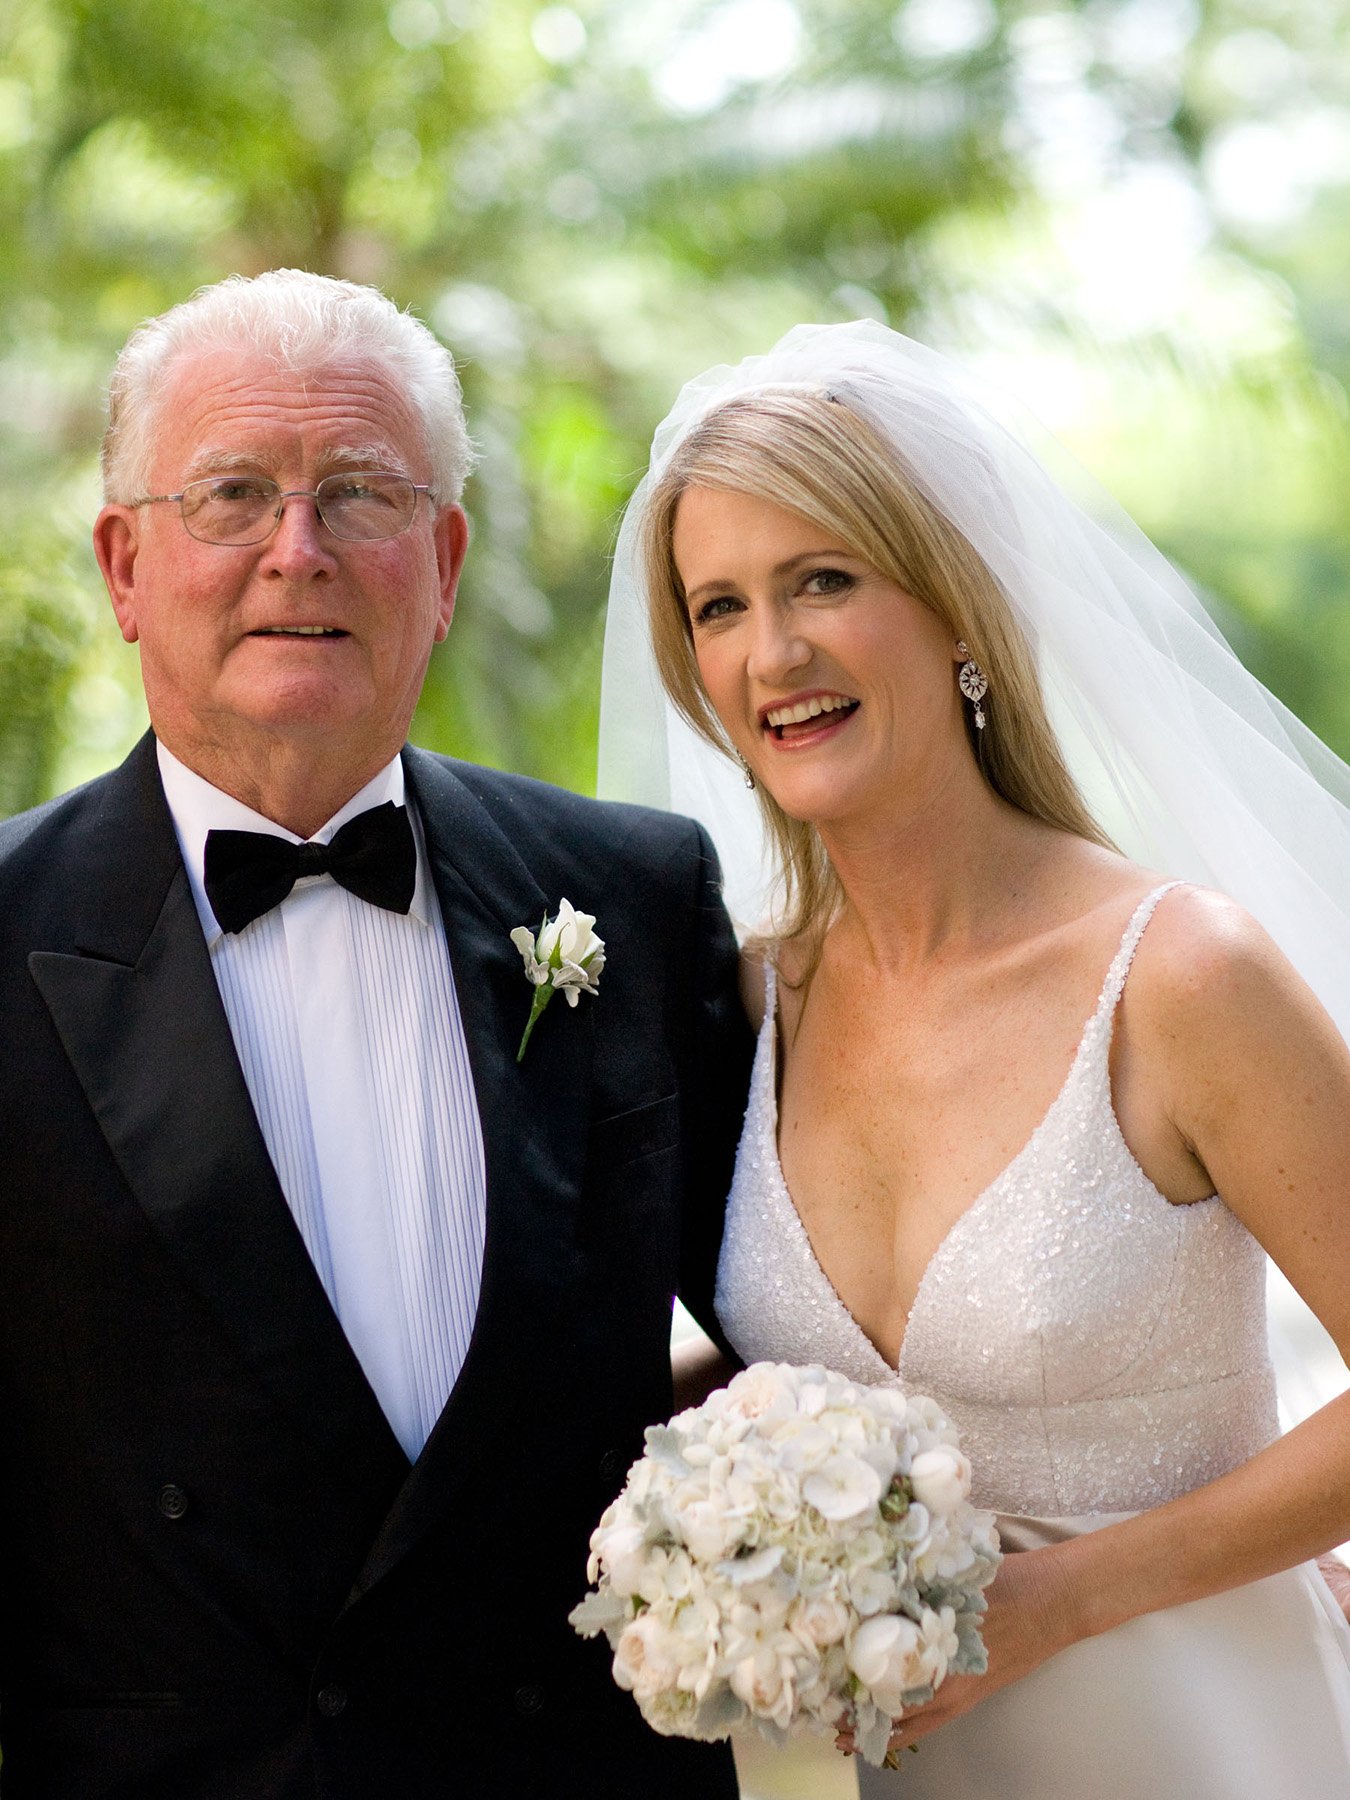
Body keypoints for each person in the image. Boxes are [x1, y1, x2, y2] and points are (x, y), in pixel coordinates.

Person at [0, 269, 751, 1800]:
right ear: (125, 564)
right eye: (232, 494)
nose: (298, 550)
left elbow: (805, 1307)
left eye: (360, 492)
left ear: (447, 560)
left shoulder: (638, 894)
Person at [599, 320, 1350, 1796]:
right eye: (721, 605)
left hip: (1196, 1740)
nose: (776, 651)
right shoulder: (747, 1001)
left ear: (954, 609)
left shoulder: (1178, 976)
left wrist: (1064, 1598)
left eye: (824, 579)